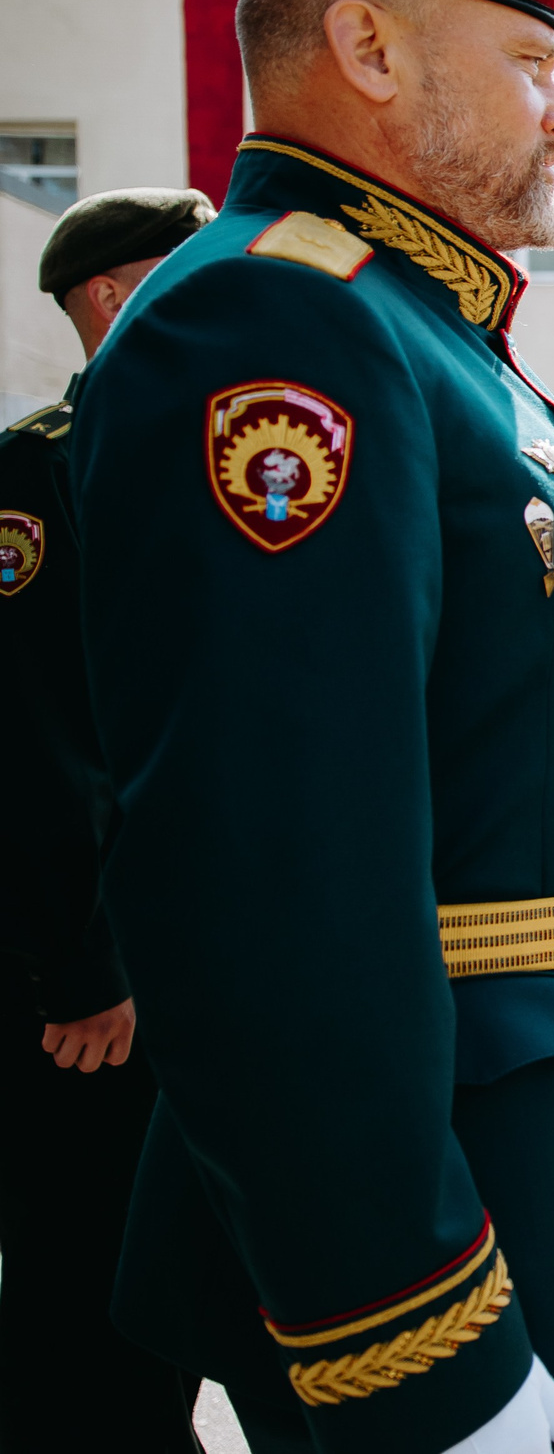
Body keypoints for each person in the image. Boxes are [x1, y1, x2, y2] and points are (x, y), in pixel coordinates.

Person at [72, 0, 554, 1454]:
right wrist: (410, 1326)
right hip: (430, 1249)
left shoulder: (420, 326)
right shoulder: (281, 329)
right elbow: (263, 881)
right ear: (366, 45)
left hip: (541, 1170)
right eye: (528, 65)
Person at [2, 187, 214, 1454]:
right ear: (118, 297)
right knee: (83, 1309)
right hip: (103, 997)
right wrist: (94, 967)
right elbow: (41, 738)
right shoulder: (45, 468)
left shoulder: (202, 450)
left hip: (205, 971)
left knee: (189, 1306)